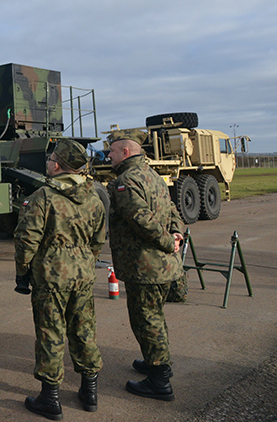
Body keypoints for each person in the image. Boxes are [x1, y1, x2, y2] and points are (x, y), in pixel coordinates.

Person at [14, 140, 106, 419]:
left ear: (58, 165)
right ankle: (89, 391)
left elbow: (26, 239)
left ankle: (50, 398)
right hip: (83, 274)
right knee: (83, 329)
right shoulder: (93, 197)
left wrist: (23, 270)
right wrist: (84, 260)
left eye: (51, 157)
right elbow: (98, 239)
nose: (48, 161)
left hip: (51, 276)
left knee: (50, 333)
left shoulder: (43, 196)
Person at [106, 129, 184, 402]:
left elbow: (141, 220)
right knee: (154, 317)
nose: (109, 155)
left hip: (145, 266)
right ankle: (155, 361)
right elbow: (173, 210)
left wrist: (166, 241)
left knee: (146, 320)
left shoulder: (124, 182)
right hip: (162, 266)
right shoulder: (153, 176)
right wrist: (177, 236)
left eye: (112, 151)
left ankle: (159, 380)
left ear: (125, 152)